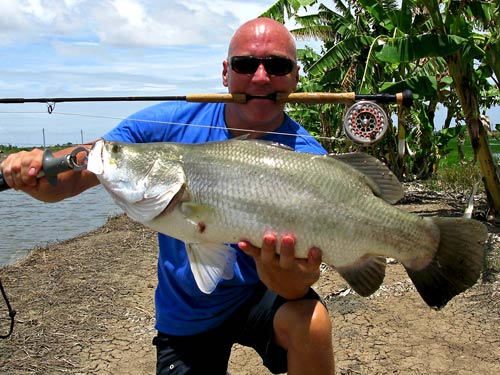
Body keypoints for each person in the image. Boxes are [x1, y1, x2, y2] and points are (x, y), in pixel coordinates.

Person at [2, 17, 335, 375]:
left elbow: (292, 283)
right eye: (245, 64)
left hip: (264, 293)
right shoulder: (171, 122)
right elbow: (85, 165)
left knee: (311, 323)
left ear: (295, 76)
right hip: (188, 311)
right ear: (226, 72)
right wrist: (37, 172)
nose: (260, 77)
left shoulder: (309, 160)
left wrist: (281, 270)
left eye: (277, 65)